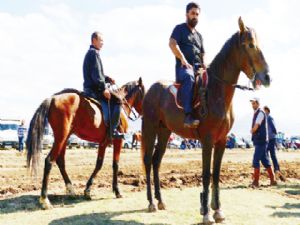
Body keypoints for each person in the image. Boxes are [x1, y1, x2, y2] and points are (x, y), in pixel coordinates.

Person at [169, 2, 205, 128]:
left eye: (197, 14)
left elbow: (202, 54)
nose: (195, 16)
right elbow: (172, 44)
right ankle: (188, 116)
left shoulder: (199, 36)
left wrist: (205, 68)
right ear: (187, 14)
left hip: (198, 68)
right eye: (192, 13)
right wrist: (183, 59)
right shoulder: (179, 29)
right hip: (183, 68)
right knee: (190, 77)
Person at [83, 31, 124, 139]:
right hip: (94, 89)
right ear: (94, 40)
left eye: (103, 40)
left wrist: (107, 78)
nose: (103, 43)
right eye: (101, 40)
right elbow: (96, 75)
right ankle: (112, 131)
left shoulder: (91, 52)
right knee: (118, 100)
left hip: (88, 88)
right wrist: (104, 88)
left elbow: (96, 72)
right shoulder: (94, 53)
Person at [250, 97, 276, 187]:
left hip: (261, 140)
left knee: (256, 160)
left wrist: (252, 131)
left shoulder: (260, 113)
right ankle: (273, 180)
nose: (252, 105)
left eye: (254, 103)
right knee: (265, 161)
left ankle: (256, 182)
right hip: (260, 140)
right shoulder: (257, 113)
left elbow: (257, 125)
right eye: (252, 103)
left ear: (258, 104)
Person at [263, 106, 286, 181]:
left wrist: (274, 134)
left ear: (267, 111)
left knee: (272, 154)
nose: (264, 112)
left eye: (265, 111)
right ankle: (269, 167)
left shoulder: (269, 118)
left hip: (272, 139)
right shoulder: (265, 118)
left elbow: (273, 127)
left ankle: (276, 168)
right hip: (267, 139)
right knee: (266, 154)